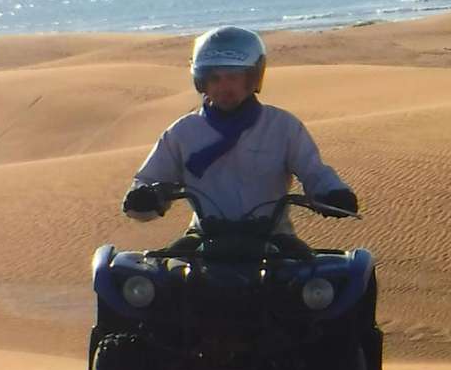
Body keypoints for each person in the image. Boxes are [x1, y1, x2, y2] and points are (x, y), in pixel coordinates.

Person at [121, 26, 357, 258]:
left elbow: (314, 172)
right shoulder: (183, 132)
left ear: (253, 78)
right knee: (156, 285)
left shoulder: (282, 126)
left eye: (233, 77)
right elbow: (149, 181)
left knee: (324, 283)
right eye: (214, 78)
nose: (224, 87)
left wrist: (333, 193)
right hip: (204, 237)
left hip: (273, 237)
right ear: (201, 81)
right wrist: (144, 198)